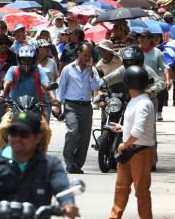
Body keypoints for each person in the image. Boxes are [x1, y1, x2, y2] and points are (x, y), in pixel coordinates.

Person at [109, 66, 157, 219]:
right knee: (120, 189)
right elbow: (134, 128)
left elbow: (138, 131)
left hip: (140, 151)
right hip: (131, 149)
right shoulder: (136, 101)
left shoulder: (143, 103)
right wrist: (123, 128)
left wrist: (125, 143)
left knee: (141, 191)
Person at [0, 45, 57, 152]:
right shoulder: (13, 70)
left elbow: (47, 86)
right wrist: (1, 95)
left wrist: (53, 99)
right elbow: (6, 84)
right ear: (19, 60)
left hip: (35, 110)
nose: (26, 62)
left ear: (34, 60)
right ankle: (2, 157)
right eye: (23, 59)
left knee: (46, 131)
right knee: (2, 129)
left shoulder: (39, 71)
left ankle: (42, 157)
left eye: (29, 60)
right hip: (13, 108)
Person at [58, 42, 101, 174]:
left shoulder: (92, 70)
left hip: (86, 107)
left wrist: (90, 71)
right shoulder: (68, 69)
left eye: (89, 56)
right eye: (85, 55)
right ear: (78, 54)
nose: (87, 58)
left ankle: (77, 164)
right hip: (71, 105)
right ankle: (69, 162)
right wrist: (58, 106)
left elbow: (95, 87)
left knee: (85, 137)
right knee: (73, 132)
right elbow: (61, 87)